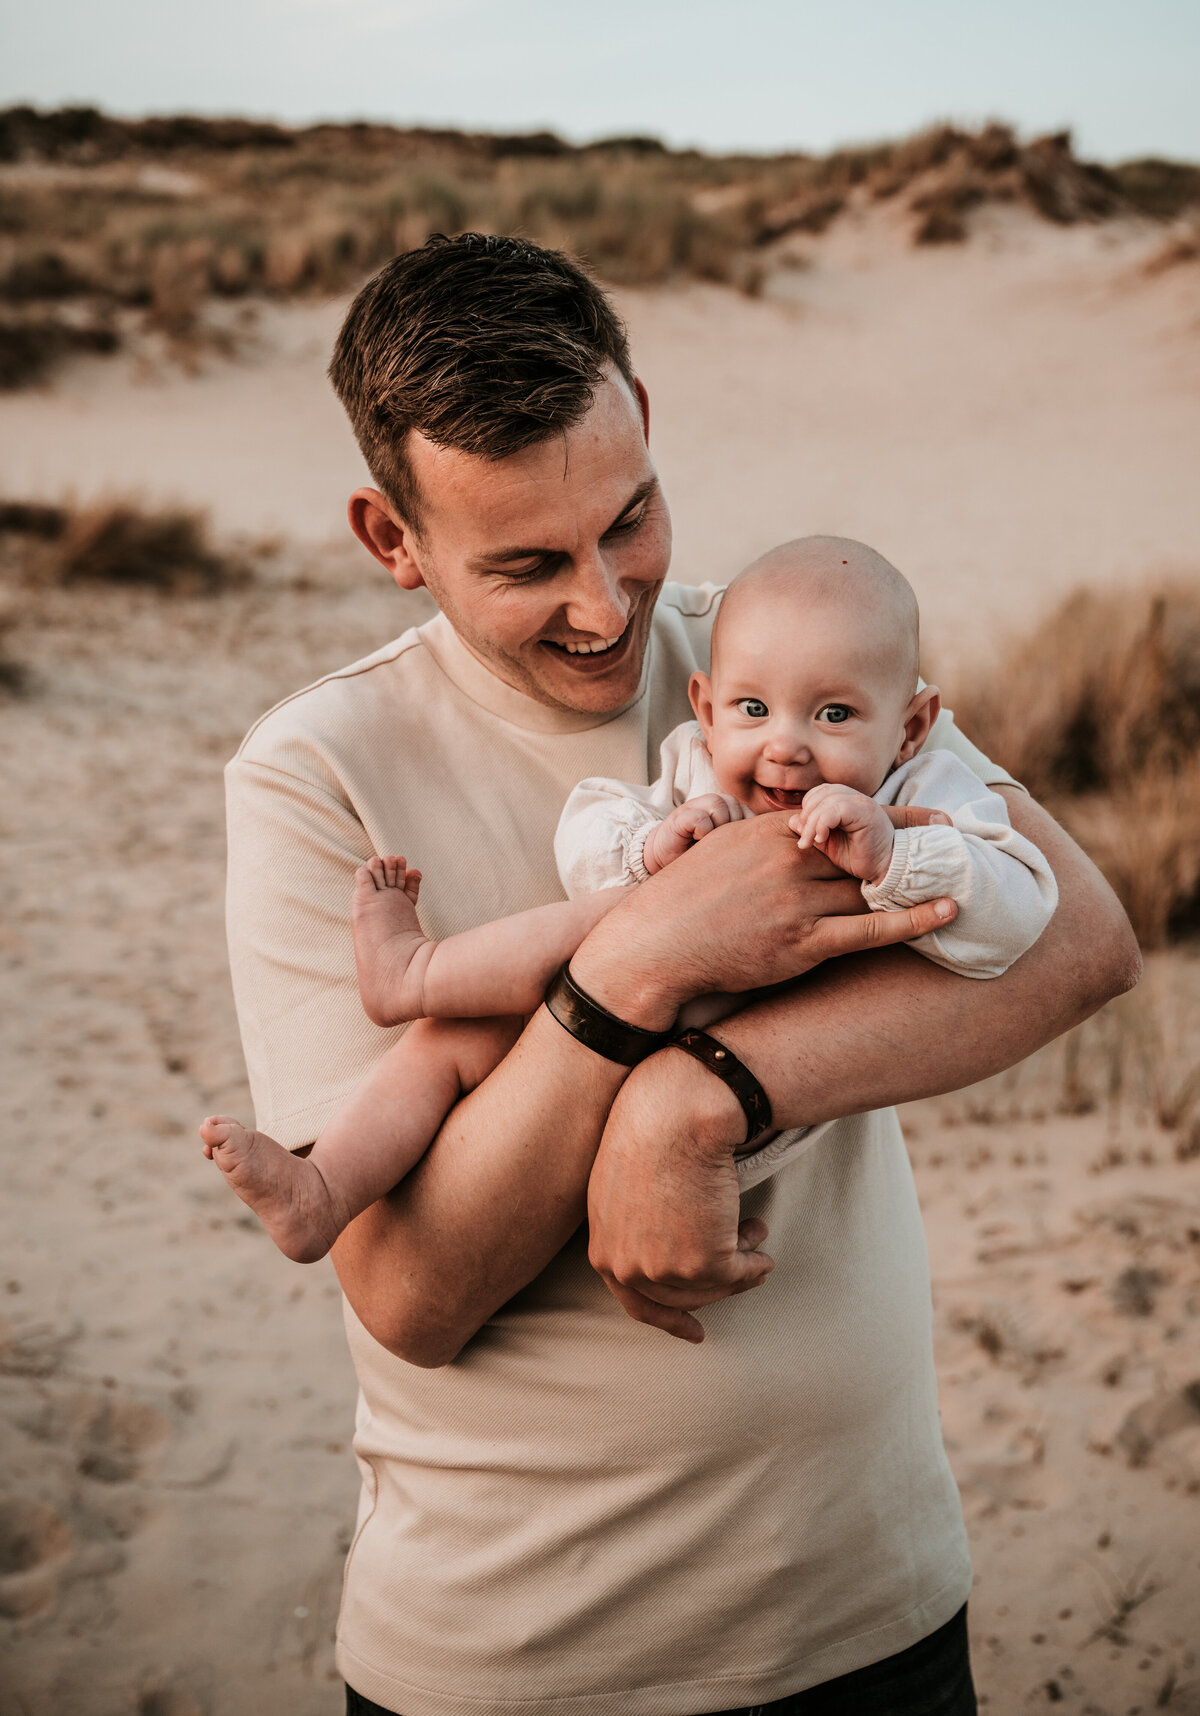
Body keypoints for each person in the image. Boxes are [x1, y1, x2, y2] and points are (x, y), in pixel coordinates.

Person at [222, 234, 1139, 1716]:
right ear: (392, 540)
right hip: (515, 1658)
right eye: (527, 564)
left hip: (871, 1608)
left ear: (643, 415)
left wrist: (699, 1098)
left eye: (628, 519)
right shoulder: (312, 777)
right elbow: (407, 1295)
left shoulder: (780, 650)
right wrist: (631, 976)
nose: (608, 608)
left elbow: (1082, 939)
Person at [203, 535, 1058, 1272]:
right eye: (753, 709)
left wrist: (895, 853)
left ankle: (424, 971)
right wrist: (658, 845)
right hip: (626, 1022)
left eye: (834, 714)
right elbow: (587, 840)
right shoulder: (696, 764)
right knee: (452, 1041)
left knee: (614, 935)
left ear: (910, 728)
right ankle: (329, 1183)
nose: (786, 745)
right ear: (708, 708)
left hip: (751, 1039)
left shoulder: (927, 789)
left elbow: (1019, 913)